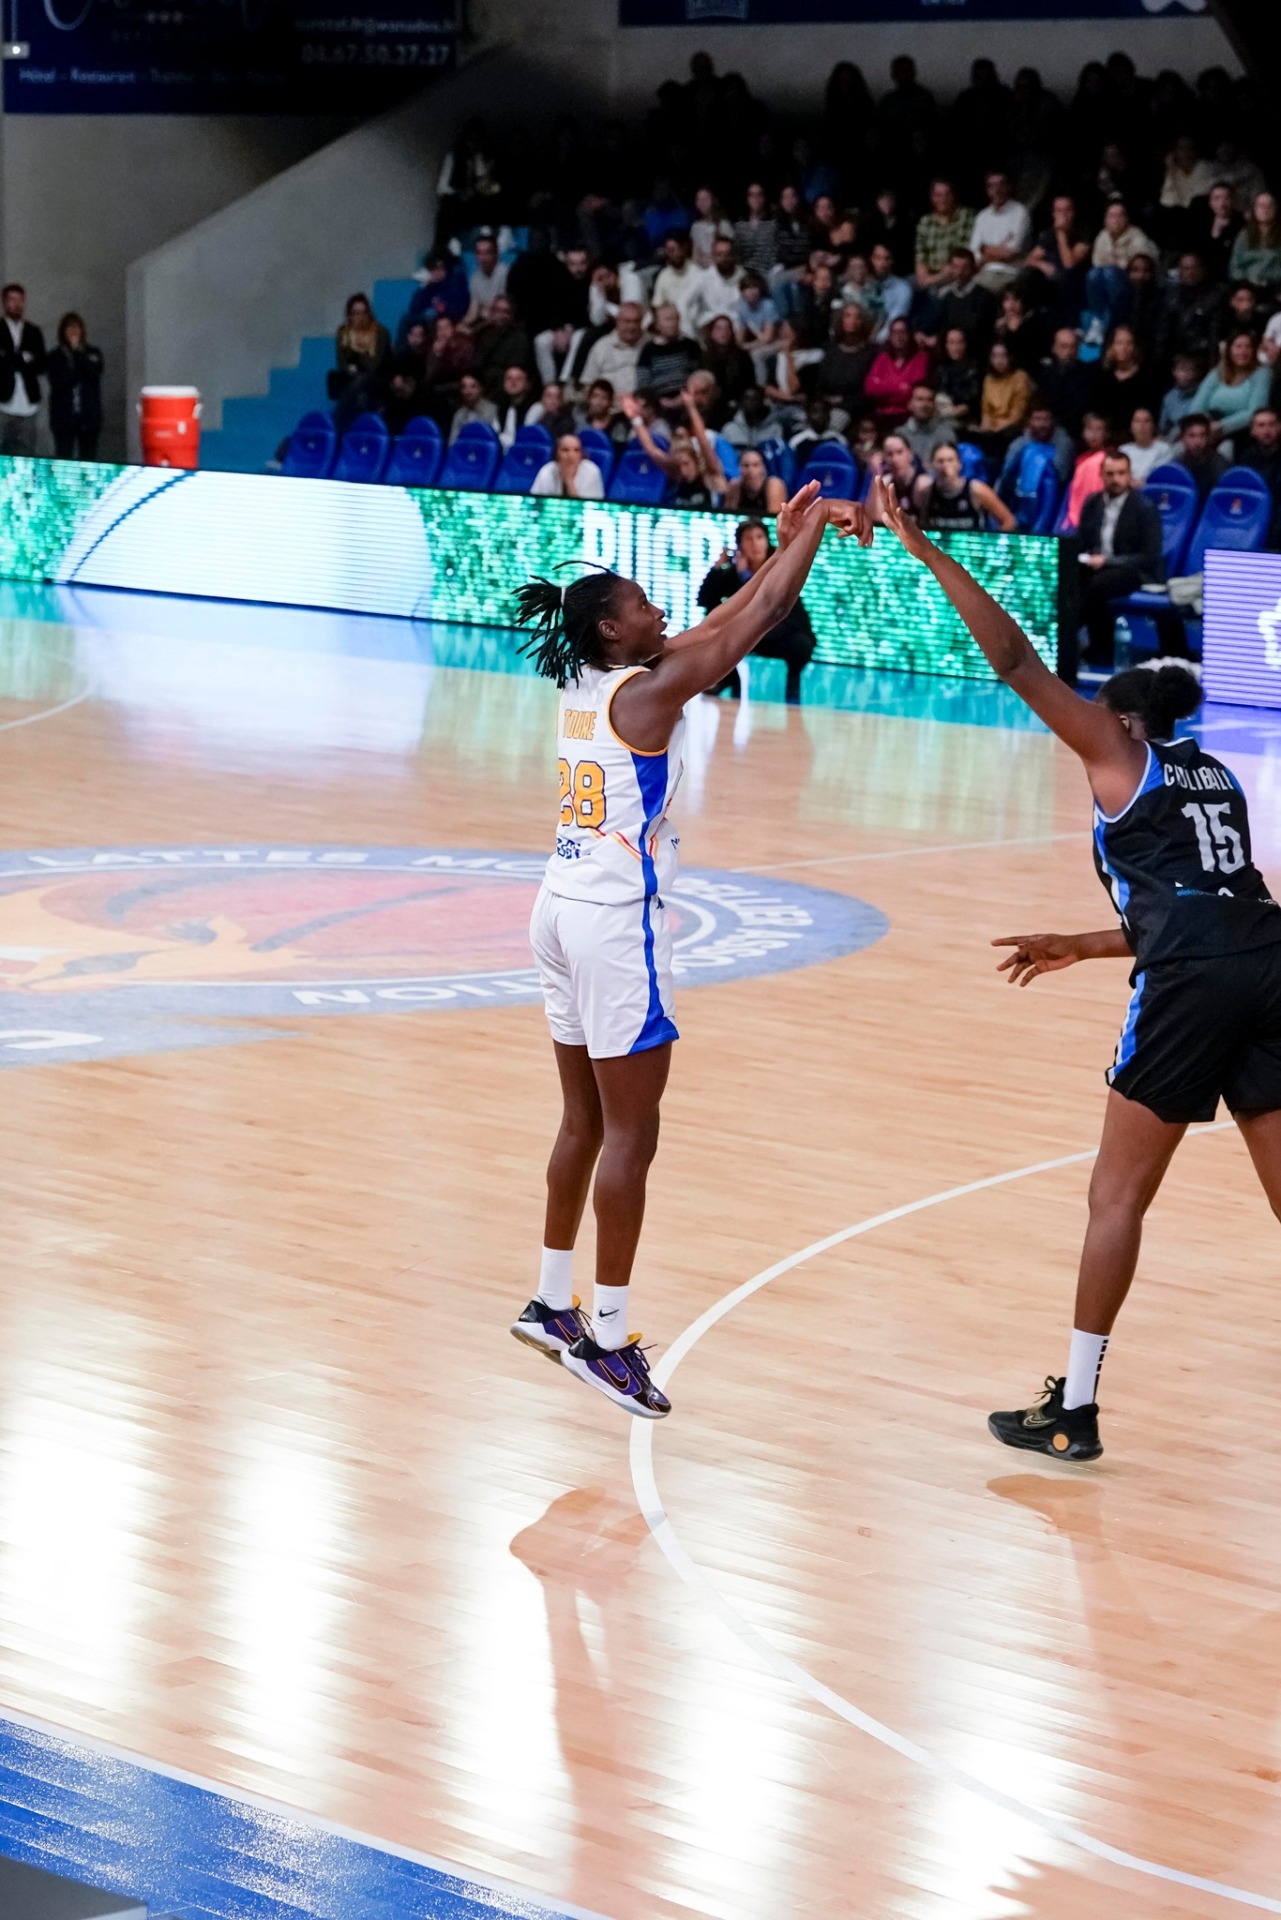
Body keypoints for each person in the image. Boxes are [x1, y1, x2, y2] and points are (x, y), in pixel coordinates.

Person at [881, 478, 1281, 1463]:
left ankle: (1077, 1409)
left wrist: (925, 550)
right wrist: (1085, 943)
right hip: (1267, 957)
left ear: (1125, 721)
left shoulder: (1122, 749)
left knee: (1115, 1200)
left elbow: (1015, 659)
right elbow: (1214, 903)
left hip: (1195, 974)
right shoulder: (1213, 772)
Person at [511, 480, 872, 1414]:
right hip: (610, 923)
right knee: (633, 1129)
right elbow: (752, 625)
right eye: (639, 604)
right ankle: (607, 1336)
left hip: (555, 905)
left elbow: (747, 611)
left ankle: (552, 1301)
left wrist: (783, 547)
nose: (658, 607)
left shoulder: (584, 678)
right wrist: (818, 530)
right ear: (610, 633)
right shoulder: (653, 688)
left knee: (581, 1121)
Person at [697, 517, 821, 704]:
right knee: (716, 624)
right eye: (749, 539)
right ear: (740, 545)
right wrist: (717, 567)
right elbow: (705, 600)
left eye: (759, 537)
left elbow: (773, 604)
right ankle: (728, 679)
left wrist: (747, 578)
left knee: (801, 644)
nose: (755, 544)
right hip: (749, 635)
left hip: (781, 632)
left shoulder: (781, 565)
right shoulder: (734, 572)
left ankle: (793, 688)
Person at [1075, 450, 1166, 664]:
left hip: (1136, 571)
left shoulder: (1145, 508)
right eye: (1110, 473)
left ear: (1129, 474)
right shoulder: (1092, 502)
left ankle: (1100, 650)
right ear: (1102, 474)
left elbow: (1149, 556)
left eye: (1121, 473)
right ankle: (1064, 641)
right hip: (1096, 565)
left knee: (1097, 586)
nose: (1116, 479)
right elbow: (1081, 540)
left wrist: (1107, 561)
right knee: (1068, 578)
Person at [621, 388, 726, 508]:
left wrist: (691, 407)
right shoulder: (677, 475)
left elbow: (702, 440)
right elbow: (652, 450)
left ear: (695, 461)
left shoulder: (711, 475)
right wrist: (635, 417)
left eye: (686, 464)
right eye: (678, 466)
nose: (683, 471)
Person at [1190, 329, 1271, 448]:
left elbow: (1255, 412)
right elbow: (1197, 406)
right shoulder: (1217, 372)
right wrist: (1203, 427)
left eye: (1248, 347)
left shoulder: (1262, 374)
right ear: (1229, 350)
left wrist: (1221, 426)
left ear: (1254, 351)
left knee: (1225, 449)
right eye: (1238, 346)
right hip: (1206, 428)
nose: (1243, 351)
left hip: (1240, 431)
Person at [915, 441, 1014, 532]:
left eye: (950, 460)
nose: (945, 465)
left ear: (959, 464)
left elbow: (1009, 521)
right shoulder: (927, 493)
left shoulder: (977, 490)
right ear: (932, 465)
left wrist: (992, 545)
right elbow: (923, 524)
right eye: (940, 461)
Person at [44, 312, 103, 461]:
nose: (73, 332)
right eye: (69, 328)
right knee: (64, 458)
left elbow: (93, 373)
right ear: (63, 331)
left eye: (76, 327)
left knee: (89, 459)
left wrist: (77, 353)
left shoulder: (93, 353)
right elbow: (58, 382)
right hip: (63, 418)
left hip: (88, 417)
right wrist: (74, 369)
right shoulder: (55, 356)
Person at [329, 292, 391, 431]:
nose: (359, 317)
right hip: (354, 376)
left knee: (362, 382)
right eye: (355, 313)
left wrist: (355, 352)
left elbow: (373, 364)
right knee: (341, 380)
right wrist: (353, 365)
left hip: (380, 378)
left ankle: (336, 427)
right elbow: (342, 363)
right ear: (349, 315)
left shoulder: (380, 333)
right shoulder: (343, 332)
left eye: (363, 313)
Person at [969, 171, 1031, 293]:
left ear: (1008, 187)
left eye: (1001, 185)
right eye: (991, 186)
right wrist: (996, 252)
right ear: (987, 190)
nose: (996, 190)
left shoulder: (1020, 212)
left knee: (975, 293)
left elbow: (1011, 253)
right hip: (983, 272)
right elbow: (973, 254)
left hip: (1009, 273)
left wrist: (984, 248)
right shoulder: (982, 216)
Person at [863, 316, 929, 428]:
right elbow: (870, 388)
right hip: (881, 415)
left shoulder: (921, 358)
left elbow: (912, 391)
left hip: (907, 416)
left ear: (909, 334)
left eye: (902, 332)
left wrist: (882, 385)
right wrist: (899, 387)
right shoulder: (882, 358)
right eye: (894, 332)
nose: (898, 336)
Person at [974, 339, 1032, 462]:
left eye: (1003, 355)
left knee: (1004, 437)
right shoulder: (988, 379)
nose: (999, 360)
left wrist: (995, 427)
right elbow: (986, 411)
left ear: (1010, 357)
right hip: (992, 429)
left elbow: (1017, 415)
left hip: (1013, 428)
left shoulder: (1020, 377)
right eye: (995, 356)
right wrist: (986, 428)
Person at [915, 181, 977, 292]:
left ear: (954, 196)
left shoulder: (966, 216)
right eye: (938, 195)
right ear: (932, 198)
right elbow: (920, 255)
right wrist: (923, 278)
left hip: (955, 275)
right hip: (929, 276)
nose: (943, 199)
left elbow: (961, 257)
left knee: (936, 295)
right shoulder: (926, 221)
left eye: (948, 194)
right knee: (904, 289)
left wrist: (933, 280)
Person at [1035, 327, 1095, 439]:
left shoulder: (1088, 375)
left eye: (1072, 347)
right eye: (1063, 347)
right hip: (1045, 426)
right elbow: (1040, 403)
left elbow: (1080, 409)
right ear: (1054, 348)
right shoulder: (1046, 374)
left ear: (1078, 349)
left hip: (1071, 430)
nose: (1068, 352)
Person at [577, 302, 645, 398]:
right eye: (627, 322)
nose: (631, 327)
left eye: (636, 321)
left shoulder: (650, 344)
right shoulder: (601, 346)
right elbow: (588, 384)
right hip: (611, 406)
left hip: (641, 405)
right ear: (618, 321)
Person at [1061, 410, 1112, 532]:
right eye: (1089, 429)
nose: (1093, 434)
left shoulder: (1109, 459)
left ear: (1105, 433)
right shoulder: (1080, 459)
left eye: (1098, 430)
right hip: (1076, 517)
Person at [651, 233, 704, 336]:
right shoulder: (663, 275)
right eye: (668, 251)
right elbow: (657, 304)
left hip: (694, 324)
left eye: (674, 250)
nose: (671, 254)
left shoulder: (698, 274)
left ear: (684, 249)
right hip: (669, 324)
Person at [1228, 191, 1281, 291]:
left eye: (1270, 205)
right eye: (1261, 206)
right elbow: (1235, 266)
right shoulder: (1244, 236)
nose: (1265, 209)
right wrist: (1245, 284)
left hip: (1276, 286)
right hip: (1248, 286)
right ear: (1254, 209)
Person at [1170, 411, 1228, 501]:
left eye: (1202, 435)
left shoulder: (1219, 463)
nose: (1197, 442)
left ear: (1208, 438)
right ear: (1182, 438)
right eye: (1192, 436)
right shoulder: (1176, 464)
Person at [530, 432, 606, 500]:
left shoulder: (591, 471)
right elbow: (535, 502)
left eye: (576, 450)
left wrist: (569, 480)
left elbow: (587, 509)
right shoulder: (547, 470)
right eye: (565, 450)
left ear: (581, 454)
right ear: (557, 454)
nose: (571, 456)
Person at [934, 326, 982, 429]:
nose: (956, 347)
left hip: (966, 419)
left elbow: (972, 402)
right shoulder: (940, 369)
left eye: (960, 342)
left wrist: (956, 410)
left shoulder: (974, 369)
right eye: (951, 343)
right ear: (945, 345)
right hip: (941, 414)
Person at [899, 382, 956, 467]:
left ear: (934, 405)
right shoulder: (899, 436)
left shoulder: (947, 435)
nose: (925, 405)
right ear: (909, 404)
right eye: (920, 399)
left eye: (929, 400)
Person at [724, 446, 785, 517]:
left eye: (755, 465)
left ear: (764, 468)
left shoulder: (774, 485)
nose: (750, 471)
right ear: (739, 469)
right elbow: (729, 517)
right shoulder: (734, 486)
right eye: (746, 466)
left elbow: (775, 520)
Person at [1120, 405, 1174, 484]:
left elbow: (1163, 475)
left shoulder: (1164, 449)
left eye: (1146, 421)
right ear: (1131, 427)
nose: (1142, 426)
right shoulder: (1123, 450)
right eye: (1137, 421)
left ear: (1153, 425)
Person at [1158, 353, 1205, 442]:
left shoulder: (1203, 393)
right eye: (1180, 370)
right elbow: (1163, 428)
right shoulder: (1169, 397)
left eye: (1188, 370)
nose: (1184, 374)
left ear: (1196, 373)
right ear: (1174, 372)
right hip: (1172, 439)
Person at [448, 370, 498, 442]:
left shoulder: (492, 411)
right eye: (464, 387)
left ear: (481, 388)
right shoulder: (459, 414)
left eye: (473, 386)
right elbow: (452, 442)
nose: (468, 391)